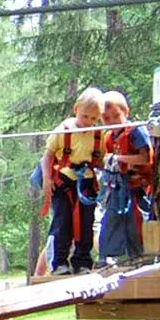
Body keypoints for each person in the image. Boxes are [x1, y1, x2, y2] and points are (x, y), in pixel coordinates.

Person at [40, 87, 106, 275]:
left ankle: (82, 262)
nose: (89, 122)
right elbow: (47, 156)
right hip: (63, 182)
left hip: (86, 183)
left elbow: (100, 159)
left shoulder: (98, 134)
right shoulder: (63, 131)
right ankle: (59, 262)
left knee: (86, 223)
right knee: (63, 222)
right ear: (76, 109)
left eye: (94, 118)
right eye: (85, 116)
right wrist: (47, 179)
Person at [98, 90, 152, 264]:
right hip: (120, 187)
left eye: (116, 116)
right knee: (112, 221)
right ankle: (112, 256)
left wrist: (119, 159)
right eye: (106, 118)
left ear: (126, 112)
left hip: (139, 188)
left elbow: (146, 157)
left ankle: (142, 256)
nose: (112, 121)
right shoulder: (109, 138)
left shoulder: (135, 131)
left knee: (138, 223)